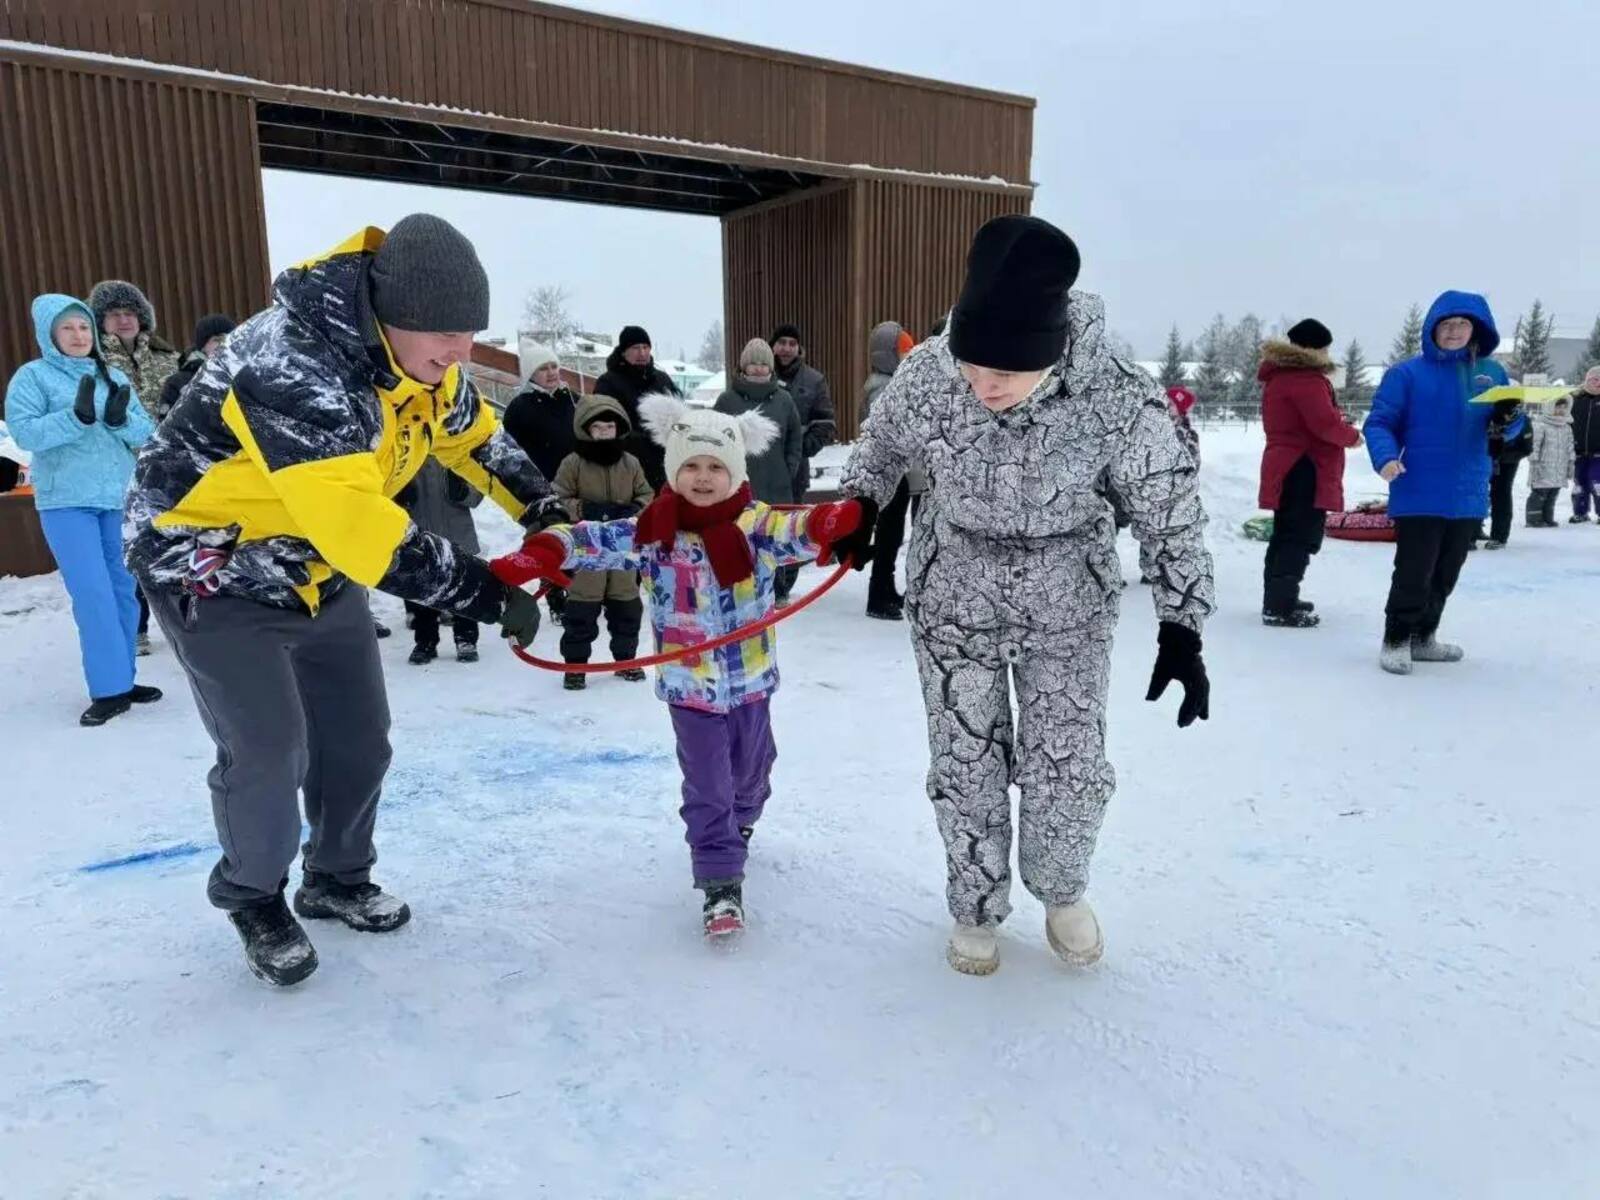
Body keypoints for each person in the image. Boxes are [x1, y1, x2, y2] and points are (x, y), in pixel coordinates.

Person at [125, 215, 556, 987]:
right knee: (268, 750)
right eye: (446, 333)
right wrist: (484, 594)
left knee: (360, 737)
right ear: (389, 315)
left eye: (470, 332)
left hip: (316, 567)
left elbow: (477, 440)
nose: (462, 352)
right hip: (212, 568)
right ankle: (255, 895)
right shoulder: (288, 366)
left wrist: (545, 509)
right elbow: (368, 533)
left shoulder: (420, 365)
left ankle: (336, 876)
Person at [838, 215, 1215, 976]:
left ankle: (1063, 890)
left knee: (1066, 762)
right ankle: (975, 906)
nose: (987, 384)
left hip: (1066, 606)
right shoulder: (931, 372)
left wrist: (1183, 624)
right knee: (965, 762)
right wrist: (858, 503)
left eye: (1007, 371)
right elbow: (881, 444)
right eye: (976, 366)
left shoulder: (1116, 396)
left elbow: (1169, 512)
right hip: (953, 598)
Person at [491, 394, 861, 936]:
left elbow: (795, 531)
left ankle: (743, 821)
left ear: (735, 472)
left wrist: (832, 521)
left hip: (751, 683)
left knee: (751, 777)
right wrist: (548, 548)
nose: (704, 477)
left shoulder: (754, 526)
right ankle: (720, 882)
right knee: (707, 783)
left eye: (716, 467)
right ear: (673, 469)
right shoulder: (655, 532)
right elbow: (595, 540)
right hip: (690, 687)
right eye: (691, 465)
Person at [5, 294, 160, 726]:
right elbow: (26, 433)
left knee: (123, 592)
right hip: (67, 500)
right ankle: (108, 688)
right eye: (68, 328)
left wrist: (118, 421)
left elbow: (146, 430)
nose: (78, 336)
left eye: (85, 328)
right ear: (50, 334)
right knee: (92, 594)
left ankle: (123, 679)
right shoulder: (31, 378)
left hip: (116, 496)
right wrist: (74, 419)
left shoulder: (108, 374)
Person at [1363, 290, 1516, 675]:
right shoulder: (1406, 374)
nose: (1454, 331)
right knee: (1415, 571)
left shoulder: (1493, 374)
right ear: (1433, 328)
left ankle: (1424, 638)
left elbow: (1509, 431)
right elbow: (1380, 421)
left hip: (1468, 490)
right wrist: (1385, 458)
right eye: (1446, 324)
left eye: (1462, 324)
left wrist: (1510, 420)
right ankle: (1396, 639)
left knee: (1447, 571)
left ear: (1476, 329)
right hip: (1419, 488)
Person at [91, 279, 183, 655]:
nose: (123, 320)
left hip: (169, 466)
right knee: (129, 551)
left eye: (130, 313)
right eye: (114, 314)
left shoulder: (168, 357)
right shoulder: (92, 361)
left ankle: (184, 623)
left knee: (175, 546)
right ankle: (137, 628)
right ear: (101, 321)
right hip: (119, 469)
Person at [1257, 319, 1362, 627]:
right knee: (1298, 536)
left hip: (1288, 463)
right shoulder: (1306, 379)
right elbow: (1325, 425)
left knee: (1285, 534)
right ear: (1315, 348)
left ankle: (1278, 597)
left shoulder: (1283, 376)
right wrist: (1353, 436)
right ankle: (1280, 605)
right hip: (1304, 466)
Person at [550, 394, 654, 689]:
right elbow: (558, 497)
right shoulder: (573, 463)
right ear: (586, 429)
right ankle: (575, 666)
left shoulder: (630, 463)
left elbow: (647, 494)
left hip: (622, 548)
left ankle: (626, 661)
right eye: (598, 428)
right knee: (582, 611)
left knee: (626, 609)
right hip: (588, 548)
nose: (605, 433)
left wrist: (635, 510)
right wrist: (583, 509)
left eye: (610, 427)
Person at [713, 339, 804, 603]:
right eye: (753, 363)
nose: (758, 369)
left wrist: (788, 469)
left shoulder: (784, 400)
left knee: (777, 537)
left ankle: (780, 589)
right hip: (738, 485)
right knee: (741, 536)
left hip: (777, 484)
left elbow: (794, 439)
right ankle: (742, 588)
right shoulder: (727, 401)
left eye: (764, 363)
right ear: (743, 366)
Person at [502, 341, 580, 624]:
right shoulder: (520, 408)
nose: (551, 373)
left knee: (579, 542)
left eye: (554, 366)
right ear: (529, 375)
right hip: (541, 489)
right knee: (549, 544)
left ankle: (581, 595)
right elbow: (507, 451)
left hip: (575, 484)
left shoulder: (572, 399)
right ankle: (556, 598)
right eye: (542, 368)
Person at [861, 320, 920, 620]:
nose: (909, 356)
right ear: (888, 354)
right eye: (904, 351)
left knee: (893, 533)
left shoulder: (893, 382)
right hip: (890, 474)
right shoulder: (881, 387)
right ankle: (878, 595)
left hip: (898, 473)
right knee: (889, 534)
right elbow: (886, 433)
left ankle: (886, 590)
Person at [397, 459, 484, 664]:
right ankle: (425, 641)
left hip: (457, 534)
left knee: (463, 589)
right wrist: (398, 497)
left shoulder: (455, 450)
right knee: (422, 591)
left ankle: (466, 638)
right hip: (420, 534)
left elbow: (478, 492)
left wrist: (465, 491)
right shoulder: (407, 452)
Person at [593, 325, 679, 489]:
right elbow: (603, 423)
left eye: (646, 347)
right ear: (623, 351)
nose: (642, 353)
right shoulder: (608, 383)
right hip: (628, 464)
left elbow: (679, 414)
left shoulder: (662, 380)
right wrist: (638, 442)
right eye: (635, 348)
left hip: (666, 463)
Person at [770, 323, 837, 503]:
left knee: (790, 525)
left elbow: (825, 423)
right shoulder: (760, 375)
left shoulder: (814, 380)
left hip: (796, 473)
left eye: (792, 344)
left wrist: (801, 449)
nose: (787, 348)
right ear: (772, 346)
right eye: (782, 342)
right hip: (760, 470)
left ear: (799, 348)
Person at [157, 314, 236, 421]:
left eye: (228, 338)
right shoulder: (178, 382)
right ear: (203, 346)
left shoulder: (245, 375)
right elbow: (165, 423)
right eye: (216, 339)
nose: (223, 344)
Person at [1480, 397, 1533, 549]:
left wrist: (1503, 456)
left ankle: (1499, 535)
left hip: (1507, 464)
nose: (1507, 415)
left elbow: (1527, 448)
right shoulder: (1488, 417)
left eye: (1511, 410)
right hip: (1483, 460)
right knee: (1479, 494)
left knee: (1501, 495)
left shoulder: (1523, 422)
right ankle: (1474, 530)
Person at [1525, 397, 1574, 528]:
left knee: (1553, 492)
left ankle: (1548, 517)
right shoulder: (1541, 425)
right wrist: (1534, 460)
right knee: (1540, 492)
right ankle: (1533, 518)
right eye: (1558, 407)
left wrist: (1571, 462)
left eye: (1564, 407)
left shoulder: (1566, 427)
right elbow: (1534, 444)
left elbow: (1570, 446)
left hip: (1559, 466)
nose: (1561, 410)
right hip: (1543, 465)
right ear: (1550, 407)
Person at [1565, 366, 1600, 522]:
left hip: (1598, 453)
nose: (1598, 383)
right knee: (1579, 483)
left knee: (1597, 482)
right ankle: (1580, 512)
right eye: (1595, 379)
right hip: (1578, 451)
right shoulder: (1575, 398)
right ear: (1587, 380)